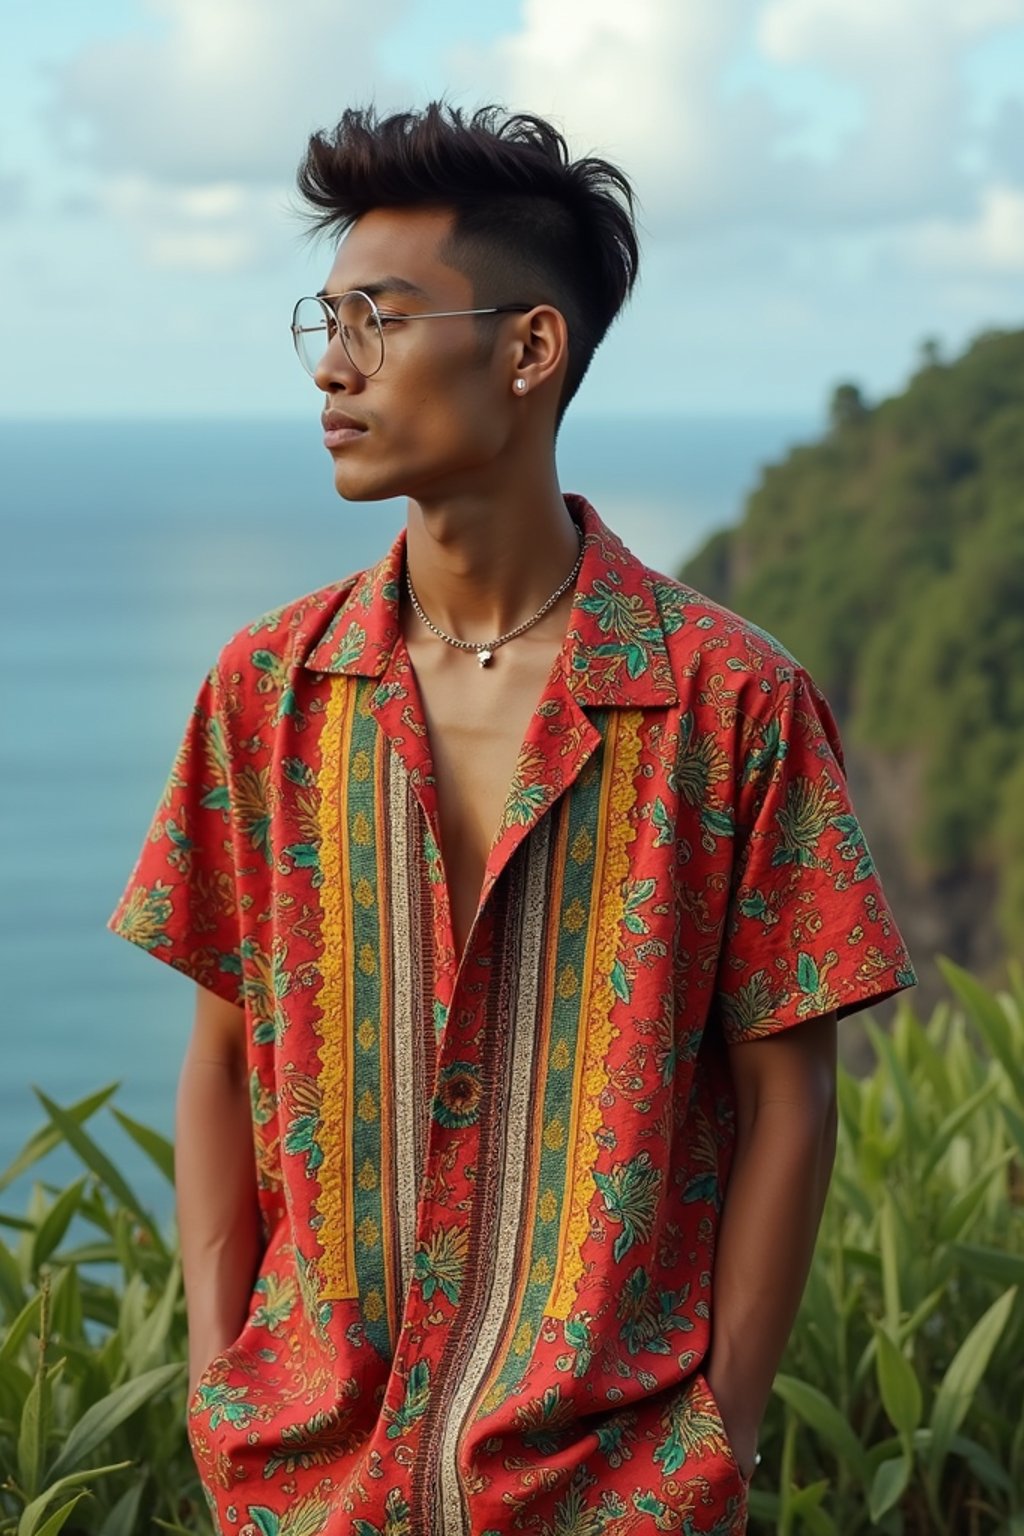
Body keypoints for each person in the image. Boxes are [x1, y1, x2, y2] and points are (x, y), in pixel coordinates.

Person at [108, 102, 916, 1536]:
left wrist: (708, 1436)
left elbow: (791, 1094)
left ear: (528, 349)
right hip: (307, 1486)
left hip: (609, 1494)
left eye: (380, 317)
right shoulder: (268, 691)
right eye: (325, 318)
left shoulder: (733, 704)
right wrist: (219, 1385)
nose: (334, 365)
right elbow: (222, 1059)